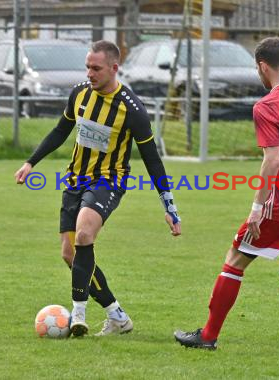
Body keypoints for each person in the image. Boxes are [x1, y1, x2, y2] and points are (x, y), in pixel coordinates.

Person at [174, 37, 279, 354]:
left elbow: (273, 159)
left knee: (234, 262)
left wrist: (256, 209)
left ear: (262, 66)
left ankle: (209, 336)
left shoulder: (267, 106)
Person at [15, 40, 181, 337]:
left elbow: (152, 159)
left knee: (84, 234)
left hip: (109, 180)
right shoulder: (79, 93)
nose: (89, 73)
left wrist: (169, 206)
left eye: (96, 68)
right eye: (87, 67)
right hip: (75, 180)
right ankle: (116, 315)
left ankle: (78, 314)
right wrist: (31, 162)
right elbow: (60, 131)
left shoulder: (132, 110)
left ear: (114, 68)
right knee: (70, 254)